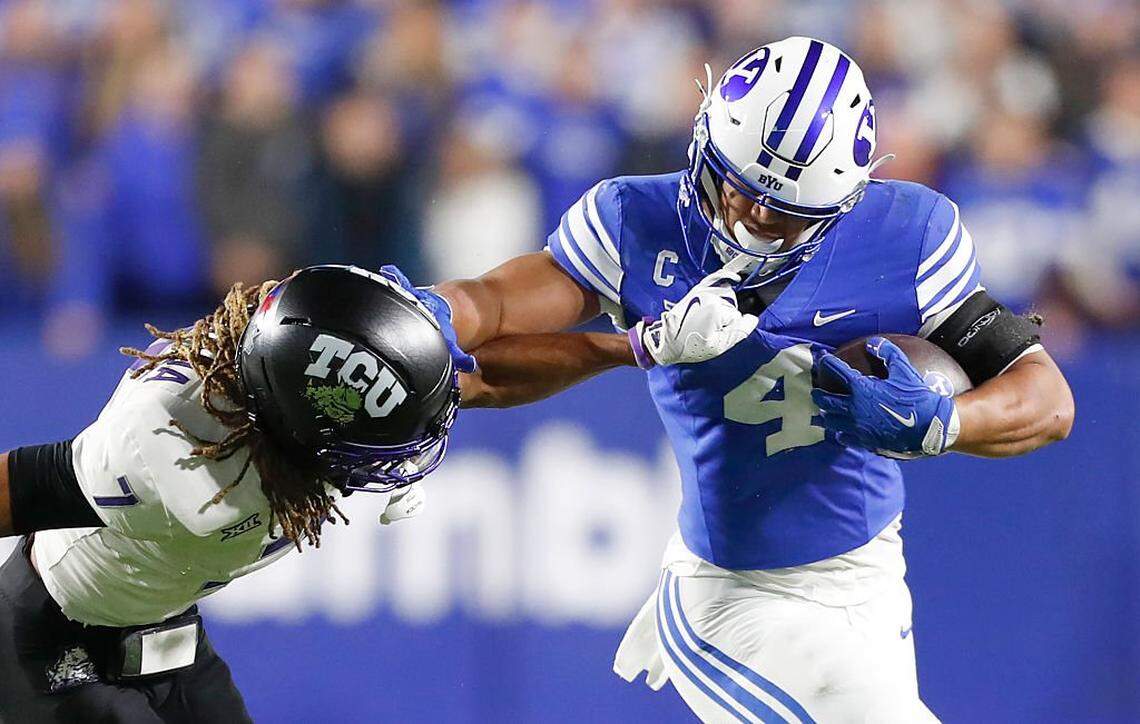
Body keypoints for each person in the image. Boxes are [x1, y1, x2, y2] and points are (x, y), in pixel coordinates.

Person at [384, 37, 1075, 722]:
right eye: (734, 185)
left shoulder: (908, 237)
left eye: (779, 213)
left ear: (842, 206)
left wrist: (945, 424)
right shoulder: (637, 219)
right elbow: (496, 305)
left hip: (871, 575)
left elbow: (1046, 400)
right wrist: (430, 312)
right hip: (733, 595)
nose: (745, 217)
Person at [0, 265, 459, 721]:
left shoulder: (299, 379)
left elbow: (484, 314)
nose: (387, 459)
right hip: (46, 641)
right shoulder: (160, 455)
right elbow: (19, 487)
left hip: (163, 630)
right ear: (307, 430)